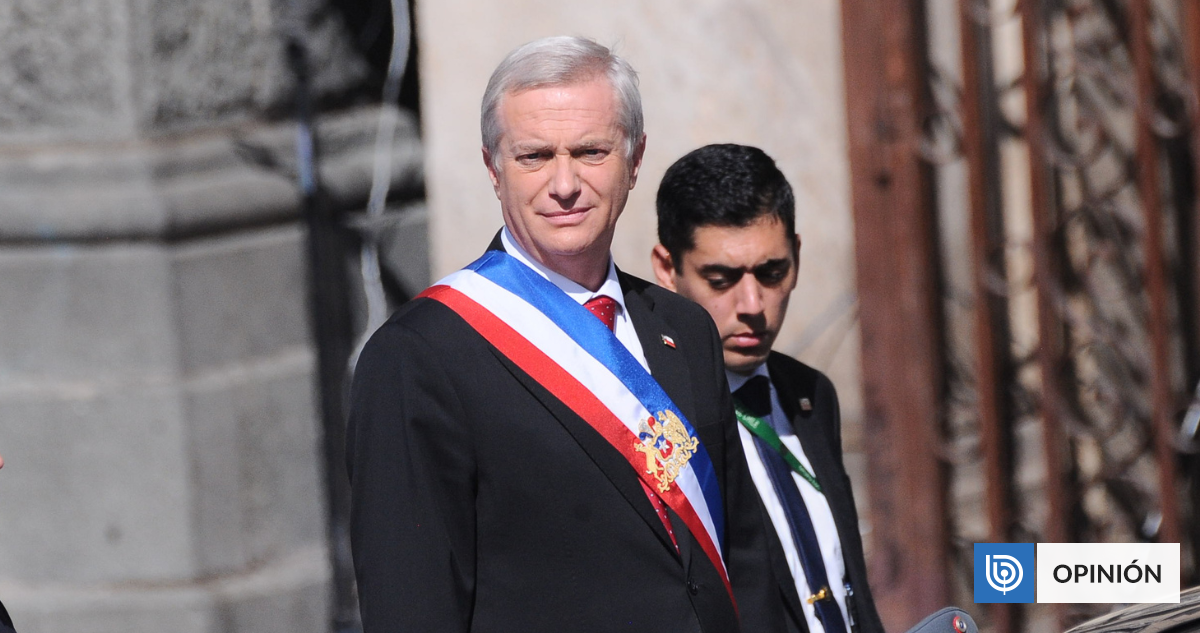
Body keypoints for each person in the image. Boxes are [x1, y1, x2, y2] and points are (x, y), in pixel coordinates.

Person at [347, 38, 780, 632]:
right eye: (534, 156)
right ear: (493, 168)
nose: (565, 183)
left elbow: (745, 561)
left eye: (590, 151)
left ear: (635, 159)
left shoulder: (683, 327)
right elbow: (411, 603)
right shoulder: (418, 356)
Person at [652, 144, 884, 633]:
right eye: (721, 279)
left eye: (772, 273)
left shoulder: (811, 394)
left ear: (797, 255)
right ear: (667, 270)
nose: (753, 304)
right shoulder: (653, 418)